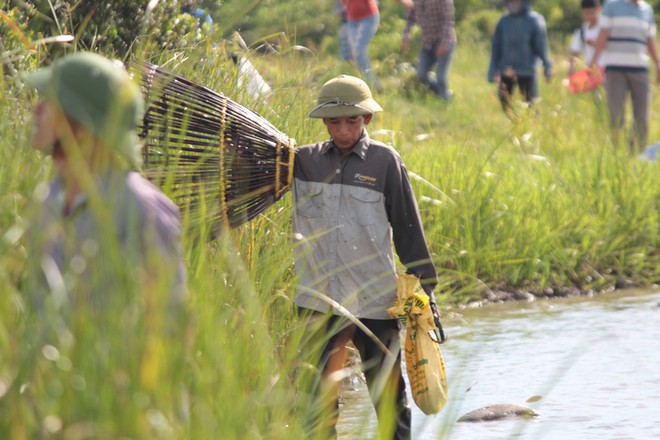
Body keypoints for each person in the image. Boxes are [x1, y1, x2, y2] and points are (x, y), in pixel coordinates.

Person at [22, 52, 188, 377]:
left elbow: (170, 333)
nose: (35, 110)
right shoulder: (48, 199)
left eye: (49, 101)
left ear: (81, 125)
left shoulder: (141, 209)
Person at [293, 74, 440, 439]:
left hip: (374, 299)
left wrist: (428, 293)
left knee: (388, 393)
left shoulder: (385, 163)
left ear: (367, 120)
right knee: (317, 396)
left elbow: (408, 230)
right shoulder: (302, 162)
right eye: (334, 122)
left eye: (352, 121)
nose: (343, 130)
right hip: (318, 299)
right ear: (324, 123)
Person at [589, 0, 660, 152]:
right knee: (616, 114)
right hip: (615, 69)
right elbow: (603, 35)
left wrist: (657, 64)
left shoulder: (647, 9)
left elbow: (650, 40)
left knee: (642, 116)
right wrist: (594, 62)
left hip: (640, 69)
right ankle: (617, 152)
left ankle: (638, 153)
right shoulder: (611, 6)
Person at [487, 0, 553, 114]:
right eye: (510, 2)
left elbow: (542, 46)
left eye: (516, 2)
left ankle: (532, 128)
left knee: (531, 105)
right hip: (506, 70)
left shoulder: (534, 20)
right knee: (505, 103)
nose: (513, 5)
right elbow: (496, 48)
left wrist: (547, 66)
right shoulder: (504, 21)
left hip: (527, 70)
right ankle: (514, 125)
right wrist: (492, 70)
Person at [401, 0, 457, 101]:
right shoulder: (416, 2)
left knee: (441, 78)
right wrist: (406, 35)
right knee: (421, 74)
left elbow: (448, 22)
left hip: (445, 42)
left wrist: (444, 44)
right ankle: (443, 94)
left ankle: (444, 102)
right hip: (428, 44)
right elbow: (410, 18)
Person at [569, 0, 603, 75]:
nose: (589, 16)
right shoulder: (582, 30)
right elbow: (574, 52)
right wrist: (571, 69)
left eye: (591, 12)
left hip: (607, 71)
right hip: (590, 72)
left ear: (598, 9)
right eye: (586, 13)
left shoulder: (605, 28)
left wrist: (595, 44)